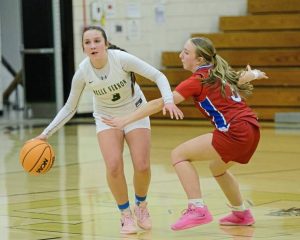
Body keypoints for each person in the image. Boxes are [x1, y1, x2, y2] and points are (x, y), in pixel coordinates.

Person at [102, 37, 268, 231]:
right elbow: (238, 78)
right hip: (253, 129)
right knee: (217, 168)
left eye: (186, 52)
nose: (181, 55)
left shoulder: (197, 80)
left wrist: (125, 119)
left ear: (199, 60)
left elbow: (159, 103)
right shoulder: (216, 73)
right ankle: (241, 214)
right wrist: (253, 74)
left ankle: (197, 208)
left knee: (178, 155)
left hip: (235, 131)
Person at [34, 25, 183, 234]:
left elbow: (158, 75)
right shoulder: (83, 71)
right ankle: (125, 215)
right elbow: (70, 107)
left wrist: (168, 100)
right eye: (87, 42)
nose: (93, 45)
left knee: (141, 165)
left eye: (97, 41)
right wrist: (45, 134)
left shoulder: (121, 59)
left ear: (106, 43)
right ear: (83, 47)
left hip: (135, 112)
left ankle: (141, 206)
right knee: (113, 166)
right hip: (106, 118)